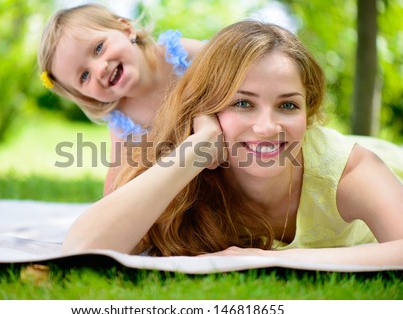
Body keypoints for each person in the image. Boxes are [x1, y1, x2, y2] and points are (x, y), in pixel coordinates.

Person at [61, 20, 403, 266]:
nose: (267, 127)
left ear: (307, 110)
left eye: (288, 105)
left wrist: (272, 259)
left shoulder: (350, 170)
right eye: (242, 103)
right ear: (205, 110)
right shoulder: (187, 171)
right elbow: (83, 249)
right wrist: (199, 148)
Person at [38, 3, 204, 194]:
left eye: (99, 48)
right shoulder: (124, 120)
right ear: (85, 95)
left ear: (126, 30)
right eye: (84, 76)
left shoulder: (177, 53)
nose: (100, 69)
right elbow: (117, 180)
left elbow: (235, 68)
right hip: (195, 184)